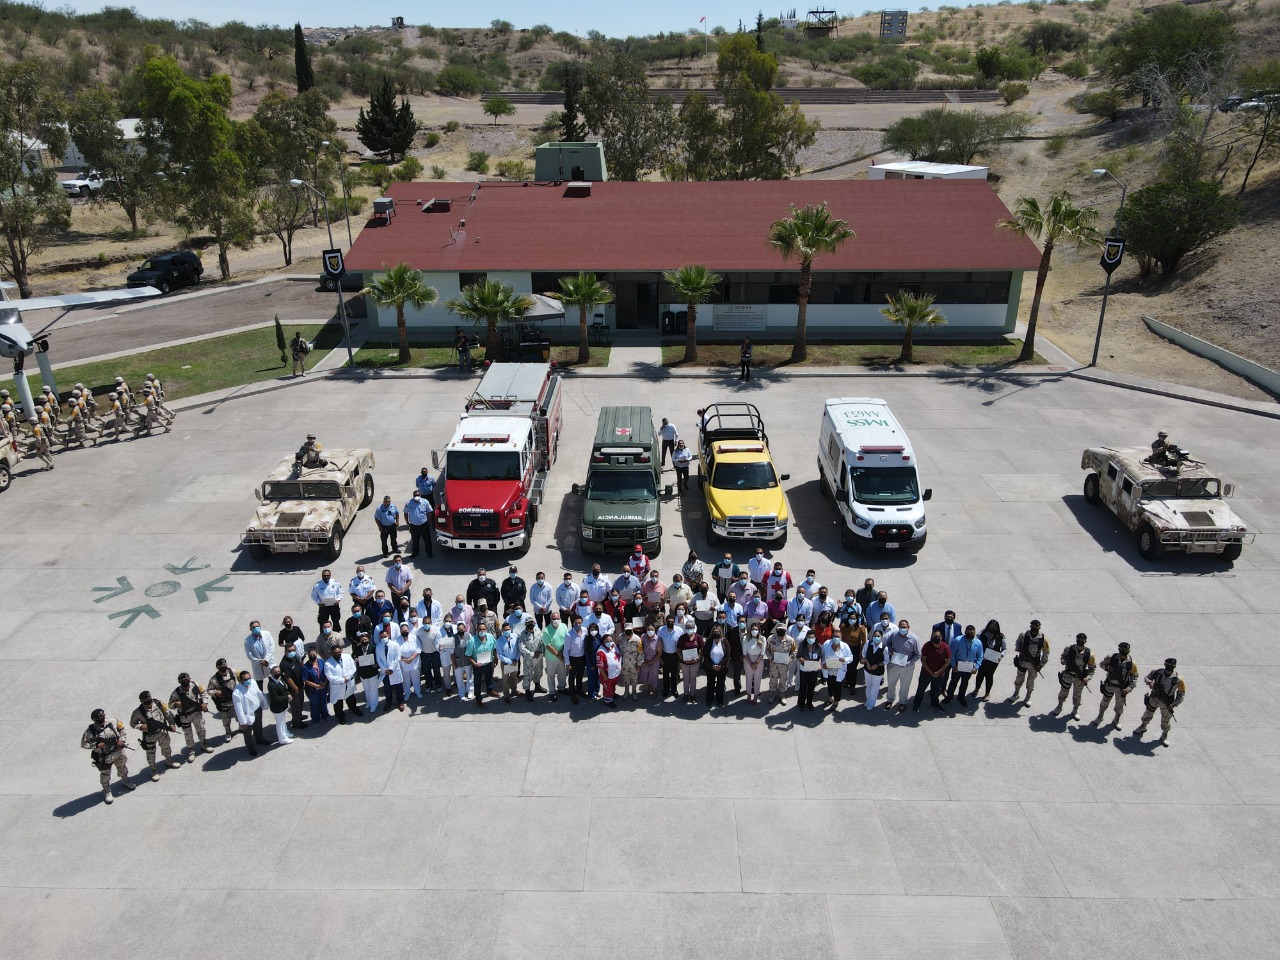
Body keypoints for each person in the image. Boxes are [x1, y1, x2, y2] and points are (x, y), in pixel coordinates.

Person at [82, 709, 134, 804]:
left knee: (122, 767)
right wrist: (96, 745)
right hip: (104, 757)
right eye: (97, 718)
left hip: (118, 752)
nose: (100, 718)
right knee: (105, 775)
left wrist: (122, 740)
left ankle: (125, 780)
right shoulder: (90, 731)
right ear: (93, 720)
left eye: (101, 716)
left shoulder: (113, 721)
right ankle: (106, 790)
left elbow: (122, 729)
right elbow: (84, 744)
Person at [129, 690, 181, 781]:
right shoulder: (138, 712)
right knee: (151, 754)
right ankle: (153, 770)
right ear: (141, 701)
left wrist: (172, 724)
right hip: (150, 736)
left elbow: (167, 713)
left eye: (149, 698)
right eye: (145, 699)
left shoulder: (159, 703)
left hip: (162, 731)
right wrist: (141, 726)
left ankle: (169, 761)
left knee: (166, 748)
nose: (148, 700)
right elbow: (132, 724)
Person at [1134, 658, 1186, 743]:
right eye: (1167, 664)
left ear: (1174, 666)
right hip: (1154, 698)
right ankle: (1143, 726)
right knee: (1147, 714)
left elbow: (1181, 694)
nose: (1169, 667)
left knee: (1165, 720)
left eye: (1171, 665)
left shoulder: (1178, 679)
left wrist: (1173, 704)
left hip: (1167, 703)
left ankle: (1164, 735)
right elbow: (1147, 677)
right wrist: (1150, 683)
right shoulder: (1157, 672)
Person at [1092, 642, 1139, 728]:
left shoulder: (1131, 663)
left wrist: (1128, 689)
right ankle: (1100, 716)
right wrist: (1107, 668)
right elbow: (1102, 664)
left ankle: (1116, 720)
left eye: (1126, 649)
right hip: (1110, 685)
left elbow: (1134, 677)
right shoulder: (1112, 658)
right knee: (1104, 702)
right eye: (1123, 649)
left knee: (1119, 706)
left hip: (1121, 688)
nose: (1125, 651)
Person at [168, 673, 210, 761]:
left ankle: (204, 744)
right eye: (183, 680)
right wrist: (176, 704)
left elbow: (203, 693)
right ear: (179, 682)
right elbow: (170, 705)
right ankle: (191, 751)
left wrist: (204, 703)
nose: (186, 681)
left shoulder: (195, 685)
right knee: (188, 734)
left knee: (201, 729)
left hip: (196, 712)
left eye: (187, 679)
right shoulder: (176, 693)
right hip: (185, 716)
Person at [882, 619, 921, 715]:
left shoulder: (914, 639)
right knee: (891, 684)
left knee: (905, 686)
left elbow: (918, 654)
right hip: (893, 665)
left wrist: (908, 663)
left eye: (904, 627)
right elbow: (888, 643)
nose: (902, 629)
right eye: (901, 627)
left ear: (908, 628)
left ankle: (903, 702)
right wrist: (890, 649)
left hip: (907, 667)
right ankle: (890, 700)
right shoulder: (894, 634)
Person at [1054, 633, 1096, 720]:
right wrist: (1063, 661)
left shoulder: (1089, 654)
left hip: (1079, 678)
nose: (1080, 641)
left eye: (1082, 640)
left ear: (1085, 641)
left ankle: (1075, 710)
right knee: (1063, 692)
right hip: (1068, 675)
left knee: (1077, 695)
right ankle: (1059, 706)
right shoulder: (1069, 649)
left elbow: (1092, 669)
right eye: (1078, 639)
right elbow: (1063, 657)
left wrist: (1087, 678)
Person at [1009, 620, 1050, 707]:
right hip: (1022, 662)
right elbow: (1018, 642)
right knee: (1019, 679)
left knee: (1030, 682)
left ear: (1039, 628)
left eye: (1036, 627)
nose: (1034, 628)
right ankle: (1016, 693)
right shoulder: (1024, 635)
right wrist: (1018, 648)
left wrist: (1041, 665)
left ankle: (1028, 697)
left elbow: (1046, 652)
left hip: (1034, 664)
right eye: (1032, 626)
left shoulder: (1043, 639)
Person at [942, 625, 983, 708]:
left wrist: (976, 667)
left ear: (975, 633)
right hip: (958, 665)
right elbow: (952, 653)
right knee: (953, 682)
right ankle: (949, 696)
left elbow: (980, 656)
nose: (970, 635)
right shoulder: (958, 640)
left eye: (972, 633)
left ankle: (961, 697)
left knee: (964, 683)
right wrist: (953, 665)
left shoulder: (978, 643)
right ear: (965, 632)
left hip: (969, 667)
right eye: (968, 633)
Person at [912, 630, 952, 712]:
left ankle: (934, 704)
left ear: (941, 637)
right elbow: (923, 660)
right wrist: (930, 671)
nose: (935, 638)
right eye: (934, 637)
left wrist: (938, 672)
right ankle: (916, 703)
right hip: (926, 673)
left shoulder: (945, 647)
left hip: (939, 675)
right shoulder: (927, 646)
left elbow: (947, 662)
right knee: (921, 690)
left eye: (937, 637)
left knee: (935, 691)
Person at [231, 671, 267, 756]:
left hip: (257, 710)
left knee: (258, 726)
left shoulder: (253, 682)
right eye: (245, 679)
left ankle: (259, 739)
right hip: (247, 715)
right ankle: (251, 748)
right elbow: (239, 709)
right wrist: (243, 722)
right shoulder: (237, 692)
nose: (248, 680)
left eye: (249, 678)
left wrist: (264, 704)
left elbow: (258, 693)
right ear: (241, 680)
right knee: (248, 733)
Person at [324, 643, 360, 724]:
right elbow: (330, 677)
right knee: (338, 702)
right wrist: (342, 680)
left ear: (341, 651)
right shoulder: (328, 663)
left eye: (338, 652)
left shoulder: (347, 657)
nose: (337, 654)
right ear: (331, 653)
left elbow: (353, 667)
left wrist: (348, 677)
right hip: (338, 685)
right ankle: (340, 716)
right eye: (335, 653)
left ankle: (354, 709)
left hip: (349, 682)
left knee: (351, 697)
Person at [466, 622, 497, 709]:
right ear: (477, 630)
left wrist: (496, 658)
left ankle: (490, 690)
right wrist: (474, 663)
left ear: (486, 630)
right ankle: (478, 698)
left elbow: (494, 648)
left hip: (489, 662)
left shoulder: (490, 637)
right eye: (480, 629)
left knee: (489, 677)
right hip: (478, 665)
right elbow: (468, 656)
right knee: (478, 681)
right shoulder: (472, 640)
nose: (482, 631)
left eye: (484, 629)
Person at [972, 620, 1006, 701]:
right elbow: (975, 643)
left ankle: (987, 693)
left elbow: (1005, 648)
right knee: (980, 674)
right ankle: (976, 689)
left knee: (989, 676)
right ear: (988, 627)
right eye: (991, 628)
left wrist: (1001, 655)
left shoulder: (1001, 636)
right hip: (982, 659)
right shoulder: (982, 634)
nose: (992, 629)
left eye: (994, 628)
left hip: (993, 660)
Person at [821, 633, 855, 711]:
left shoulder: (845, 646)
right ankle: (830, 697)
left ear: (841, 637)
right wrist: (823, 663)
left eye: (838, 637)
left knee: (838, 686)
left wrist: (845, 660)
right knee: (830, 684)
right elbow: (822, 655)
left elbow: (851, 657)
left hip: (839, 671)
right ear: (832, 637)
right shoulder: (826, 644)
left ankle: (836, 701)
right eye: (835, 636)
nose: (836, 638)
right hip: (828, 670)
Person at [376, 627, 406, 712]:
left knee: (398, 688)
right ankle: (388, 702)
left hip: (394, 670)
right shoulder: (378, 647)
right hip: (385, 671)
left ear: (388, 635)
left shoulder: (395, 645)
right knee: (387, 689)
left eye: (384, 636)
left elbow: (397, 657)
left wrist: (391, 668)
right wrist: (385, 669)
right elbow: (379, 659)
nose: (383, 638)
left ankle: (400, 702)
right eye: (381, 637)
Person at [207, 658, 237, 742]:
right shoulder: (214, 679)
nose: (224, 667)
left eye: (225, 665)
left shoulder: (233, 672)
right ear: (218, 667)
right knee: (226, 720)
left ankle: (241, 727)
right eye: (221, 666)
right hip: (224, 702)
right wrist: (216, 692)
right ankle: (228, 732)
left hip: (234, 699)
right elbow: (208, 691)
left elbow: (241, 677)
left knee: (239, 715)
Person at [795, 629, 824, 711]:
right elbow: (798, 656)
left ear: (815, 638)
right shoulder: (802, 646)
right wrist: (801, 659)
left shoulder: (818, 646)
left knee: (811, 687)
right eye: (809, 637)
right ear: (806, 638)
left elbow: (821, 657)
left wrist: (819, 662)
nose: (810, 639)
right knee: (803, 687)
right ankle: (801, 703)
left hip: (814, 670)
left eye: (812, 637)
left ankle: (809, 703)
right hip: (804, 669)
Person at [265, 666, 295, 745]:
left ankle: (285, 732)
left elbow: (285, 689)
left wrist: (288, 694)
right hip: (277, 708)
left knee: (283, 721)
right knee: (279, 723)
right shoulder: (271, 685)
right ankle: (282, 738)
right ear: (271, 673)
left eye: (279, 671)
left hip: (283, 706)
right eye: (275, 672)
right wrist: (287, 697)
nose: (278, 673)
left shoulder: (280, 679)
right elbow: (275, 699)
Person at [702, 626, 731, 708]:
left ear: (721, 632)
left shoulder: (724, 641)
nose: (716, 633)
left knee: (720, 684)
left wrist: (720, 665)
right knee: (710, 684)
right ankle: (709, 700)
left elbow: (727, 655)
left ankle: (719, 700)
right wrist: (712, 665)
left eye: (718, 631)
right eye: (714, 631)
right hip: (710, 668)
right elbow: (706, 655)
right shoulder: (709, 641)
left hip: (722, 668)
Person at [861, 628, 888, 711]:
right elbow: (864, 654)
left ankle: (872, 703)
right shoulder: (868, 644)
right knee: (868, 686)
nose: (876, 637)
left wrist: (877, 665)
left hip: (878, 671)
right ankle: (868, 700)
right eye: (875, 636)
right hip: (867, 669)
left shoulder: (884, 648)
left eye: (878, 636)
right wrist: (868, 664)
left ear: (882, 637)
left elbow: (886, 660)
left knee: (875, 687)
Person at [540, 614, 567, 701]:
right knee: (551, 675)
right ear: (550, 619)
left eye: (557, 618)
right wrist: (557, 654)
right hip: (551, 657)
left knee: (562, 673)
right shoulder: (546, 630)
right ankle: (552, 692)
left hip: (562, 655)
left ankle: (561, 688)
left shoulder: (564, 626)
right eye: (554, 618)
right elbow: (548, 645)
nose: (556, 620)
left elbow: (567, 639)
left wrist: (562, 653)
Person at [517, 617, 544, 702]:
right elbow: (521, 647)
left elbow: (542, 642)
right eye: (528, 623)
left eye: (532, 623)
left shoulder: (538, 631)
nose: (531, 625)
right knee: (527, 675)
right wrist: (532, 654)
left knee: (538, 672)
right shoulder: (522, 634)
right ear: (525, 624)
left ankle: (537, 686)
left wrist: (540, 651)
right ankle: (527, 691)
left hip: (539, 657)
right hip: (529, 659)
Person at [657, 615, 683, 698]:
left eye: (672, 622)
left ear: (674, 622)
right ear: (666, 622)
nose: (670, 623)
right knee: (665, 674)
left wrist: (681, 656)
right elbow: (659, 643)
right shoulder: (661, 630)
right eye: (669, 622)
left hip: (675, 655)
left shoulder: (679, 630)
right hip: (665, 655)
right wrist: (660, 657)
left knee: (674, 674)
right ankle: (666, 689)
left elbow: (681, 643)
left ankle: (674, 690)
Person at [302, 647, 330, 723]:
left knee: (323, 702)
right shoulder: (305, 667)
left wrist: (325, 682)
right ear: (308, 655)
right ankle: (316, 719)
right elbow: (305, 680)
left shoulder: (321, 662)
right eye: (310, 655)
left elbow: (327, 672)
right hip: (312, 690)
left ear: (317, 654)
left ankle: (325, 714)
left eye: (314, 655)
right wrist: (316, 686)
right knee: (315, 705)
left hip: (323, 687)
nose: (312, 656)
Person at [742, 620, 767, 704]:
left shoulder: (762, 639)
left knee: (757, 678)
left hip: (758, 660)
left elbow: (763, 653)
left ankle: (755, 696)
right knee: (748, 678)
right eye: (753, 629)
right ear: (750, 630)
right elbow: (745, 653)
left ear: (759, 631)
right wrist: (750, 663)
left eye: (756, 629)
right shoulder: (746, 638)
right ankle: (749, 694)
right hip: (748, 659)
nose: (754, 631)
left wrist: (756, 663)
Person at [495, 623, 521, 704]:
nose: (507, 631)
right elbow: (500, 655)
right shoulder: (499, 641)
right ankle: (506, 695)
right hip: (506, 663)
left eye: (508, 629)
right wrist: (510, 662)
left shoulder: (515, 637)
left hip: (515, 661)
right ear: (502, 631)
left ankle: (514, 690)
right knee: (505, 680)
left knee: (514, 677)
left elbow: (519, 649)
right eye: (505, 630)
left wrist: (516, 659)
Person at [767, 625, 793, 703]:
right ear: (776, 630)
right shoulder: (770, 638)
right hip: (773, 664)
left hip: (784, 666)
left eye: (782, 631)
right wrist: (770, 658)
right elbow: (766, 649)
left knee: (783, 680)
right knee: (773, 679)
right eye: (779, 631)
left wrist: (790, 659)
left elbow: (794, 650)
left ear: (785, 631)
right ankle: (772, 694)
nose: (780, 633)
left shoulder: (790, 640)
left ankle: (782, 695)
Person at [404, 491, 433, 559]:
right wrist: (408, 523)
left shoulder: (425, 502)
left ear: (420, 495)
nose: (417, 496)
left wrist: (428, 522)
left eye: (418, 495)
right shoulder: (409, 503)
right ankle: (415, 553)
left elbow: (430, 512)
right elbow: (405, 513)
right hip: (414, 526)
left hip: (424, 525)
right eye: (415, 495)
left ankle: (429, 553)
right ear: (413, 495)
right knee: (415, 540)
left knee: (427, 540)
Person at [597, 634, 623, 707]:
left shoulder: (613, 646)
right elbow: (600, 666)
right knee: (608, 688)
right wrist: (604, 676)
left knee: (612, 686)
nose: (610, 642)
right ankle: (608, 700)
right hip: (607, 675)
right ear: (603, 642)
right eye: (607, 641)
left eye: (611, 641)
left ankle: (612, 694)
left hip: (615, 673)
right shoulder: (601, 651)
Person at [618, 626, 641, 701]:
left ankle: (634, 692)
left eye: (629, 630)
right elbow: (618, 650)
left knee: (634, 678)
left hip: (634, 663)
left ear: (632, 630)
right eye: (626, 631)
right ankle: (626, 692)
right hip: (624, 663)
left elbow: (640, 652)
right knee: (625, 678)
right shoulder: (621, 637)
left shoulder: (637, 639)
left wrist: (639, 664)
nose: (628, 633)